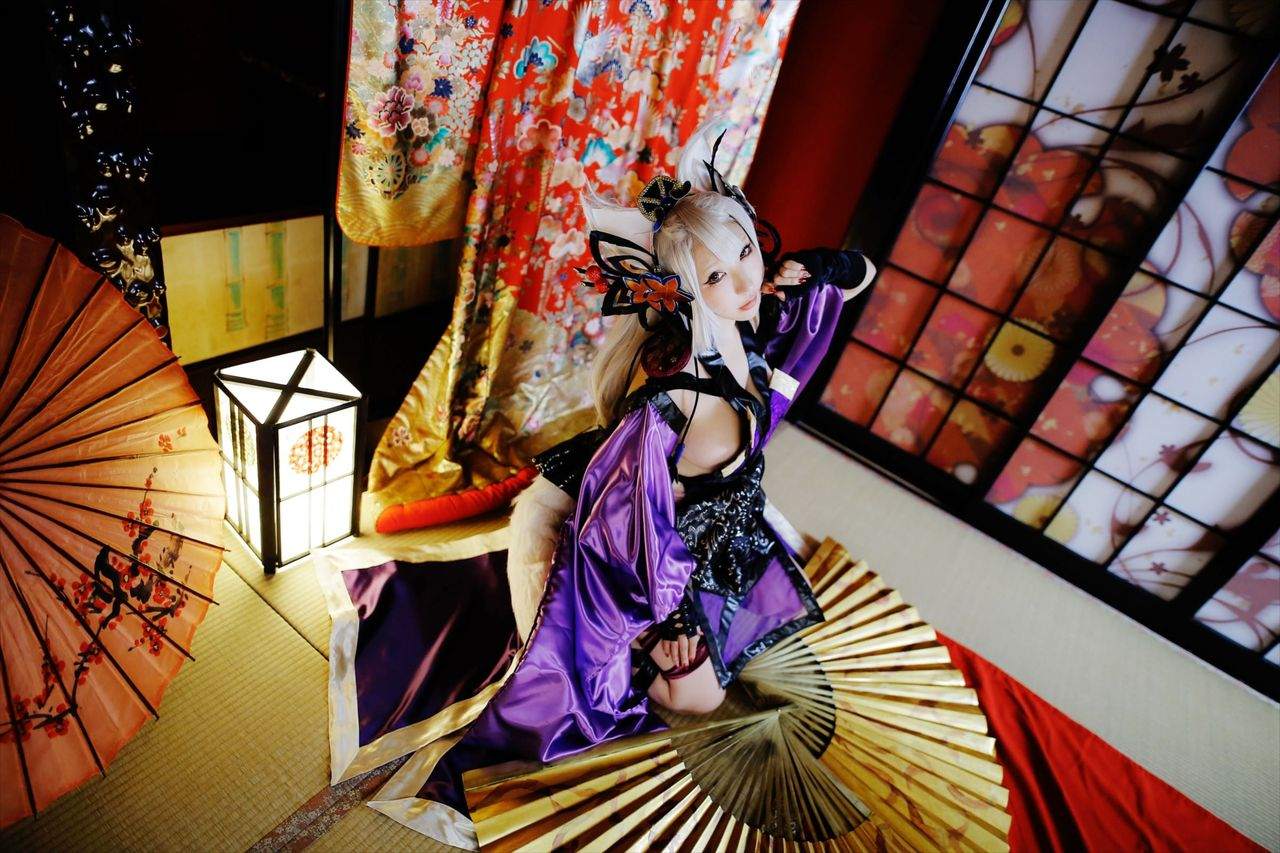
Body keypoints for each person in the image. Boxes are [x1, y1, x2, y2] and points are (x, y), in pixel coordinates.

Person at [321, 118, 875, 847]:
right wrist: (665, 626)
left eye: (745, 249)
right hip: (618, 530)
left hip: (709, 525)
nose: (743, 282)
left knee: (734, 652)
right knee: (685, 696)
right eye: (715, 276)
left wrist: (812, 267)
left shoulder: (748, 315)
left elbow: (857, 274)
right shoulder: (678, 409)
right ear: (683, 292)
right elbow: (616, 543)